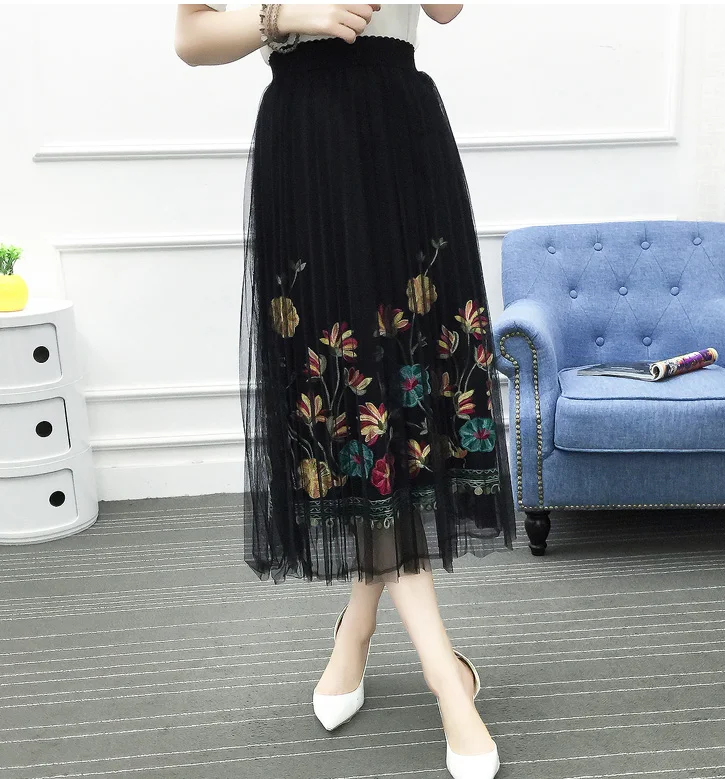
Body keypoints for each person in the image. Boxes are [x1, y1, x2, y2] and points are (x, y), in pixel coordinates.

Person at [174, 5, 516, 777]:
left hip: (400, 136)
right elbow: (191, 37)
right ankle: (445, 677)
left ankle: (355, 631)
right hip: (310, 146)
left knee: (400, 403)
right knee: (350, 402)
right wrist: (286, 14)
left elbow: (447, 8)